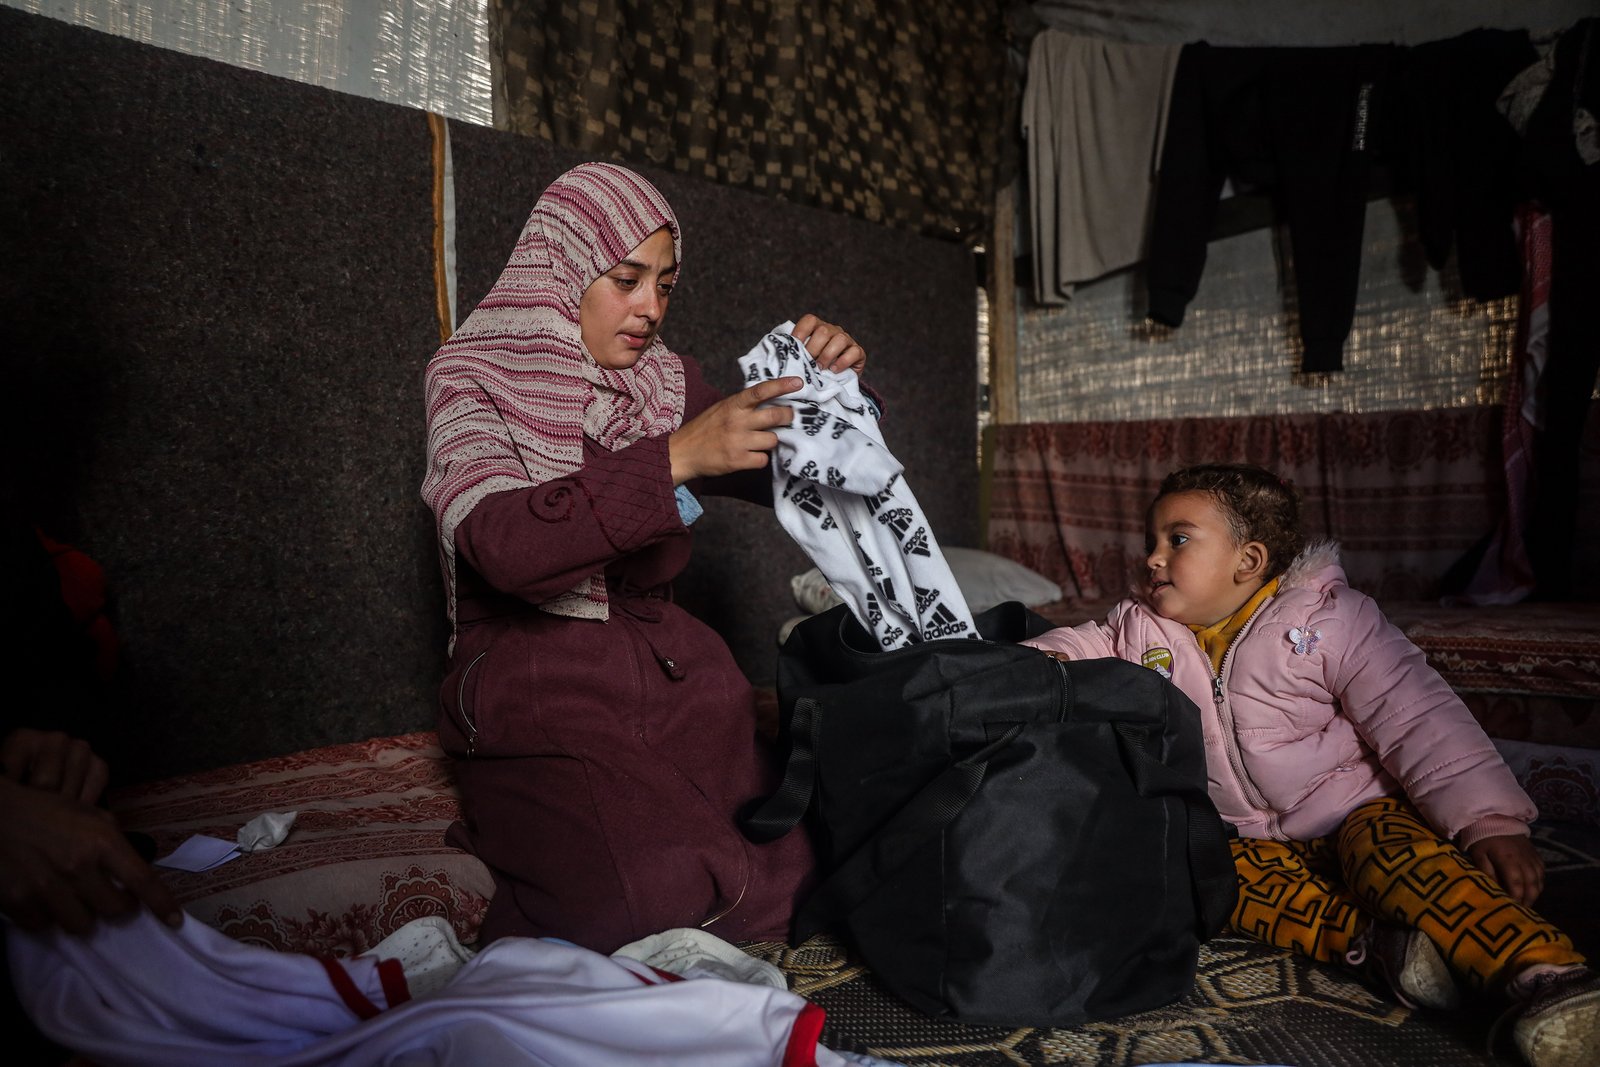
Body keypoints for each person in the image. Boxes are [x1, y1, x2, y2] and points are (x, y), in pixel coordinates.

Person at [1021, 463, 1597, 1067]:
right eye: (1152, 542)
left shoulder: (1329, 620)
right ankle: (1379, 945)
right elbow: (1070, 651)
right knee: (1202, 878)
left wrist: (1491, 819)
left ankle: (1544, 974)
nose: (1153, 558)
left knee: (1402, 862)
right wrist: (1003, 666)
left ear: (1248, 560)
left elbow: (1417, 715)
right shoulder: (1139, 628)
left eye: (1177, 540)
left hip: (1355, 807)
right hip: (1242, 833)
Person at [419, 162, 858, 953]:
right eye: (627, 279)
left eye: (665, 284)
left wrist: (831, 396)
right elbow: (500, 546)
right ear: (562, 265)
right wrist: (676, 459)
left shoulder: (665, 383)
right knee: (639, 897)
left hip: (674, 675)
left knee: (815, 858)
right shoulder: (470, 375)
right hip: (538, 677)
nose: (650, 308)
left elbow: (797, 474)